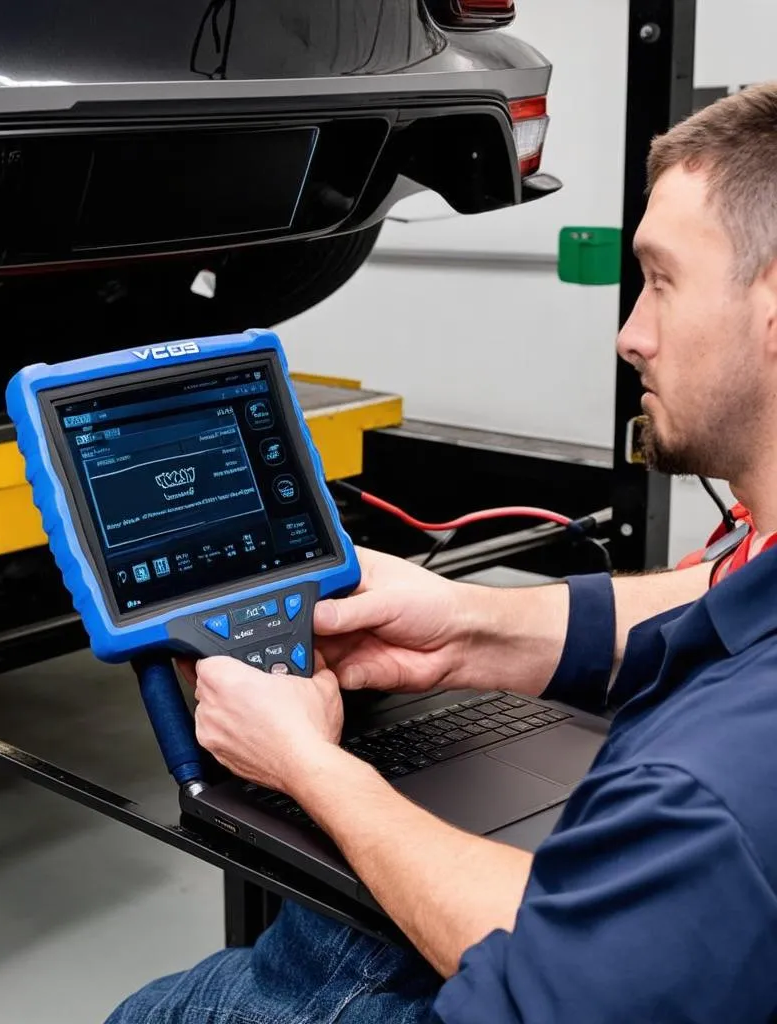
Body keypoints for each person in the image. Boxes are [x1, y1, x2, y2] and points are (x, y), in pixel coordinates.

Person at [107, 83, 777, 1023]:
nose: (632, 334)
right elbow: (721, 594)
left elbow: (543, 982)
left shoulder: (715, 782)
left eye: (662, 279)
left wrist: (307, 763)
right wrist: (467, 627)